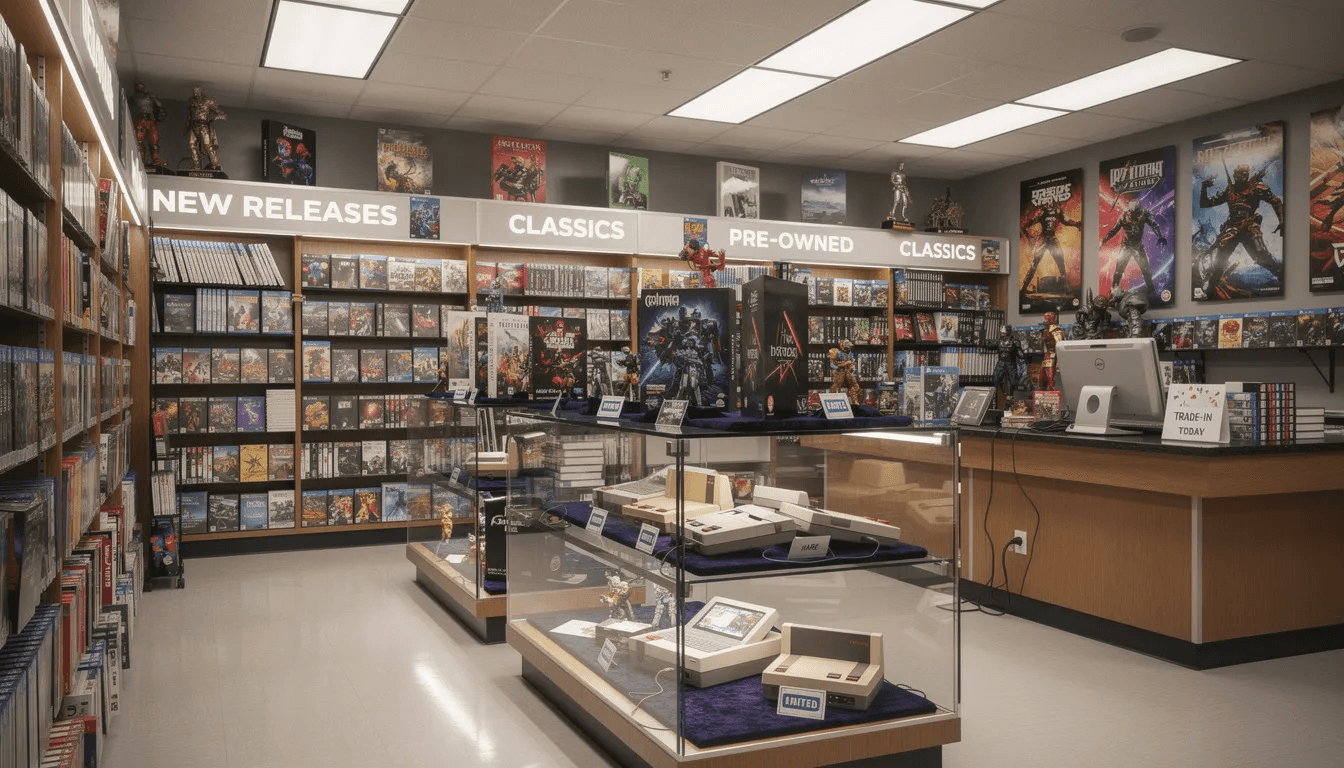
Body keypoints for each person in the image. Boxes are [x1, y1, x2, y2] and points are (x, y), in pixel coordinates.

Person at [1197, 164, 1284, 297]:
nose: (1236, 177)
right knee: (1219, 262)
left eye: (1240, 175)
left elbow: (1275, 201)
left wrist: (1282, 221)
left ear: (1246, 176)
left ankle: (1283, 277)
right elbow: (1205, 203)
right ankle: (1210, 292)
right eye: (1235, 174)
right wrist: (1204, 187)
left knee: (1262, 258)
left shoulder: (1256, 187)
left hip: (1249, 227)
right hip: (1232, 228)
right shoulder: (1229, 191)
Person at [185, 87, 227, 171]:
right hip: (193, 125)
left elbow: (221, 114)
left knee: (208, 145)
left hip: (203, 125)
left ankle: (214, 164)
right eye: (194, 91)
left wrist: (213, 118)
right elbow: (190, 116)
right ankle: (196, 166)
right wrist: (187, 126)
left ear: (201, 91)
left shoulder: (208, 101)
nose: (195, 93)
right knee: (192, 145)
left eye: (197, 91)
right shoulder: (191, 101)